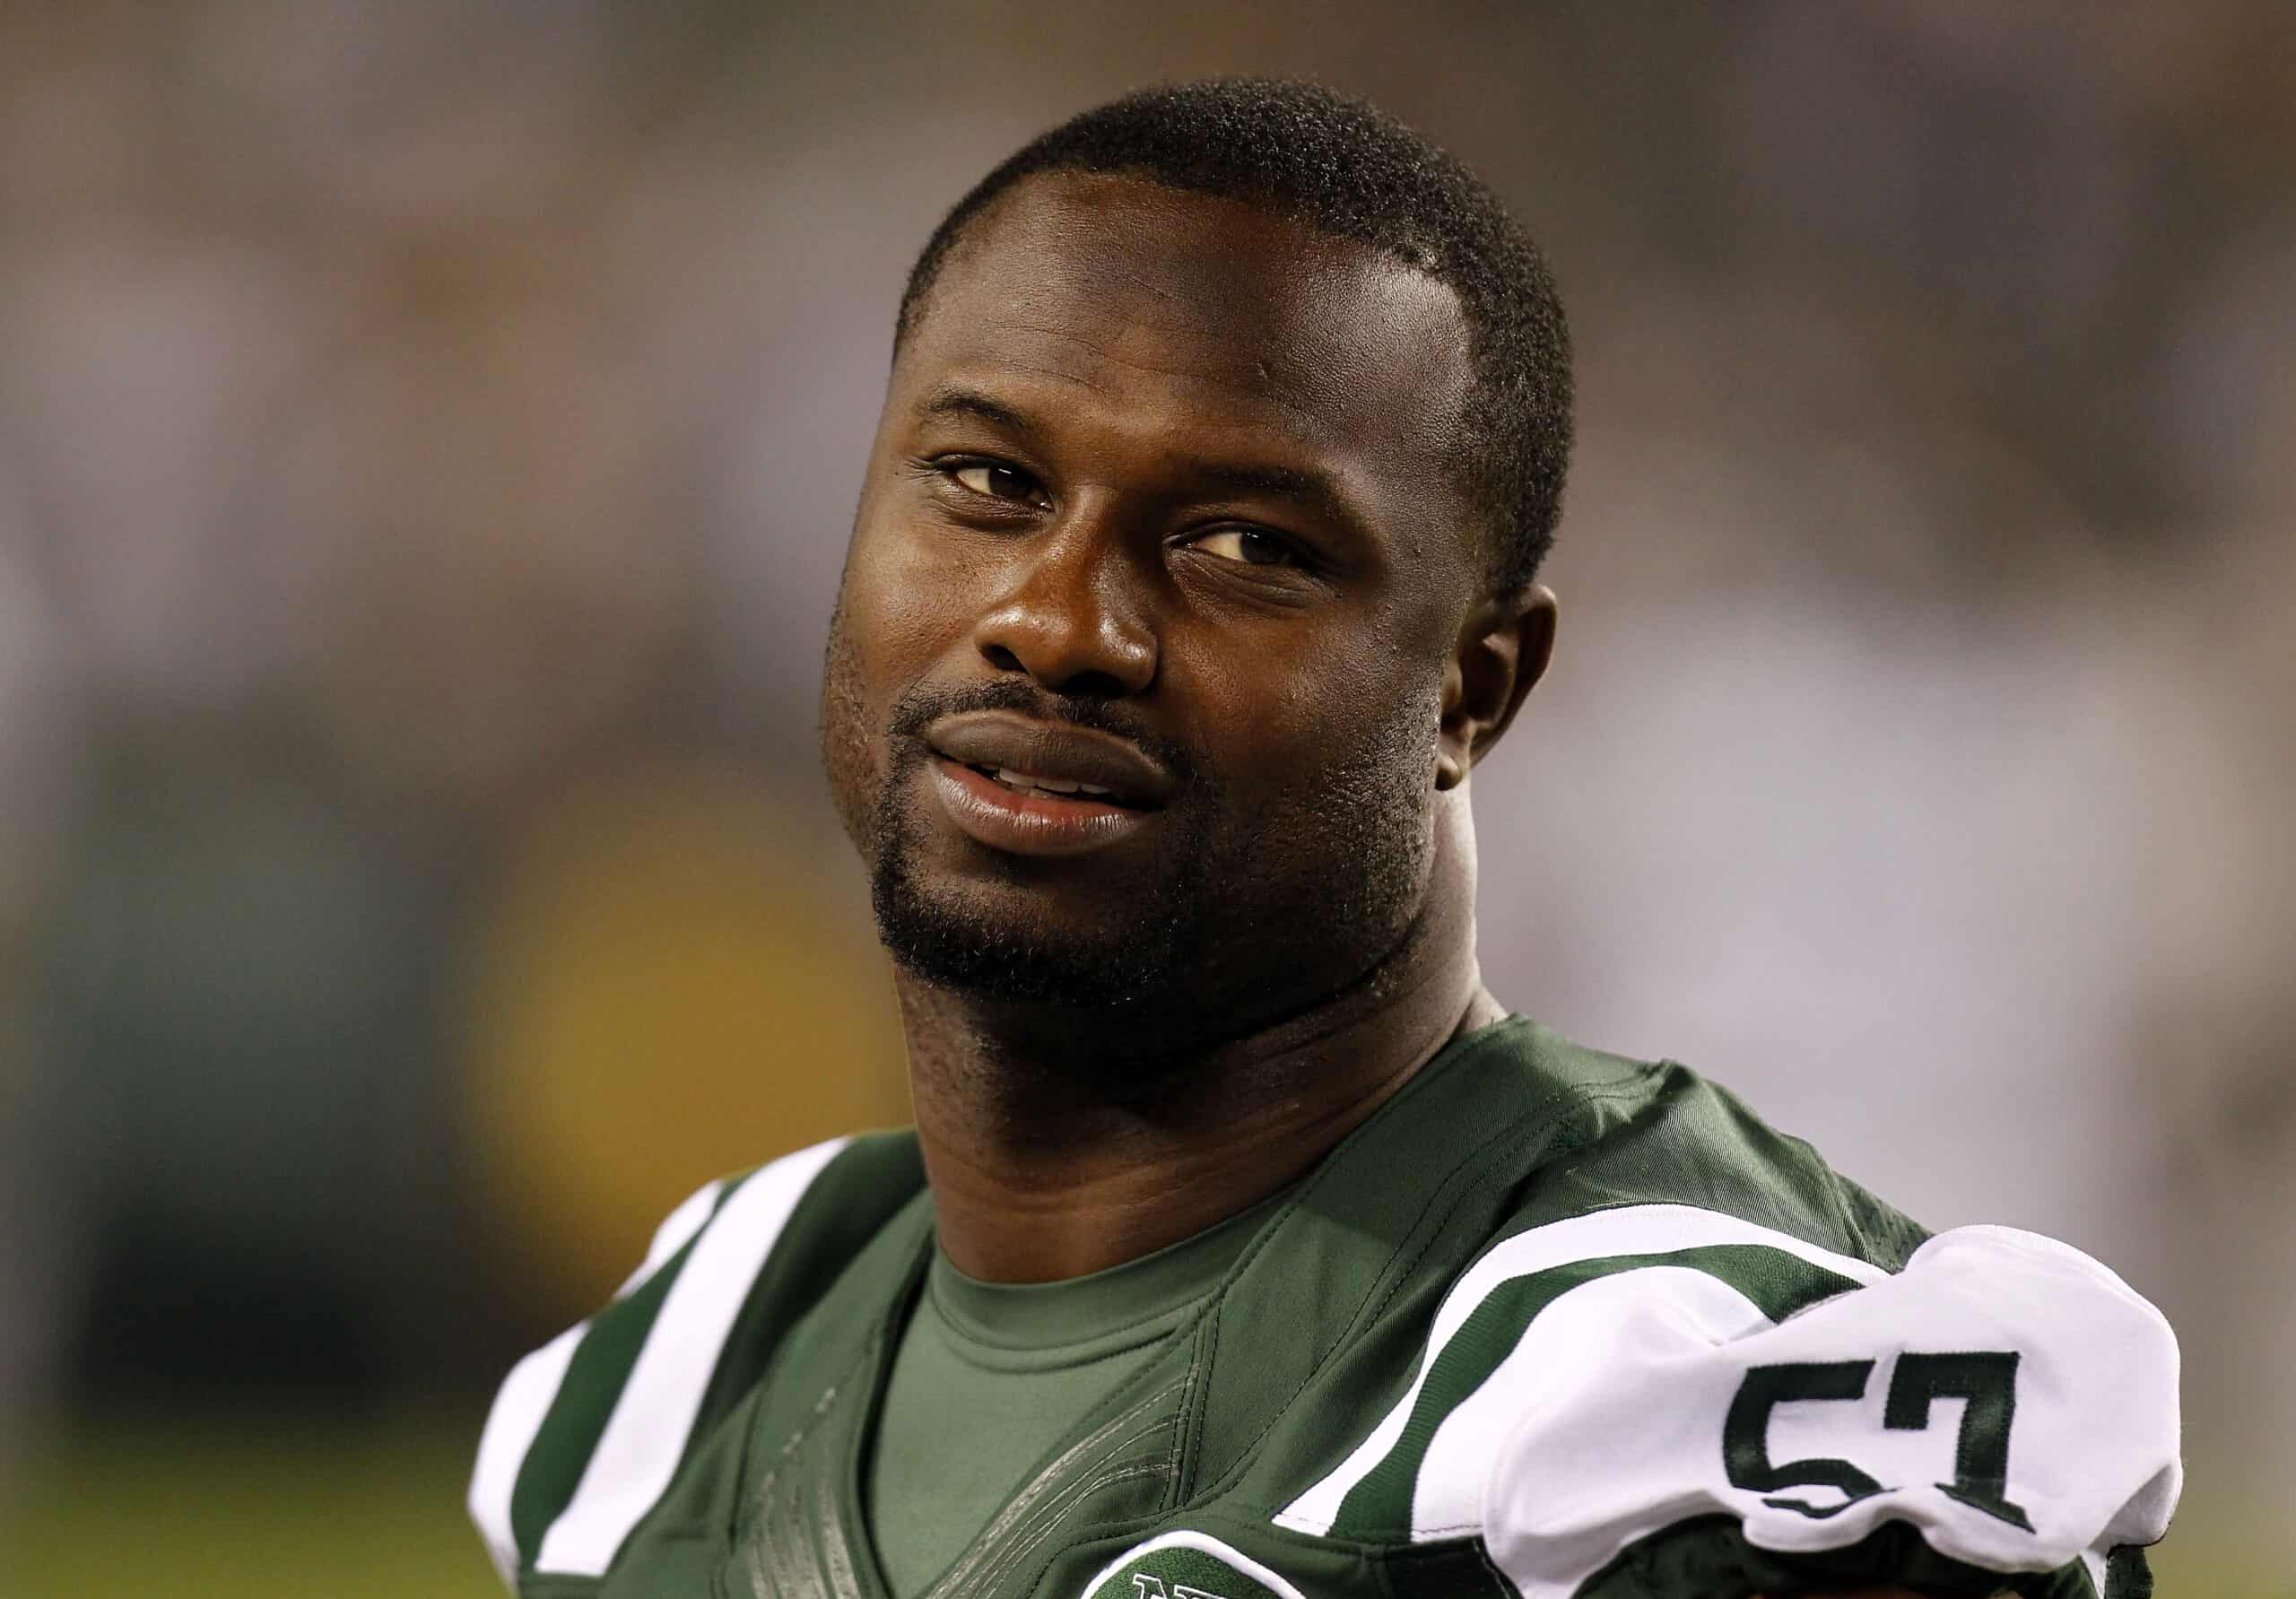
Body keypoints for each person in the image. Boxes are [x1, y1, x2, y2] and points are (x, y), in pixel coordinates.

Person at [469, 80, 2179, 1599]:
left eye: (1243, 547)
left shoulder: (1692, 1386)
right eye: (988, 484)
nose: (1059, 620)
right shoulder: (686, 1368)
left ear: (1473, 689)